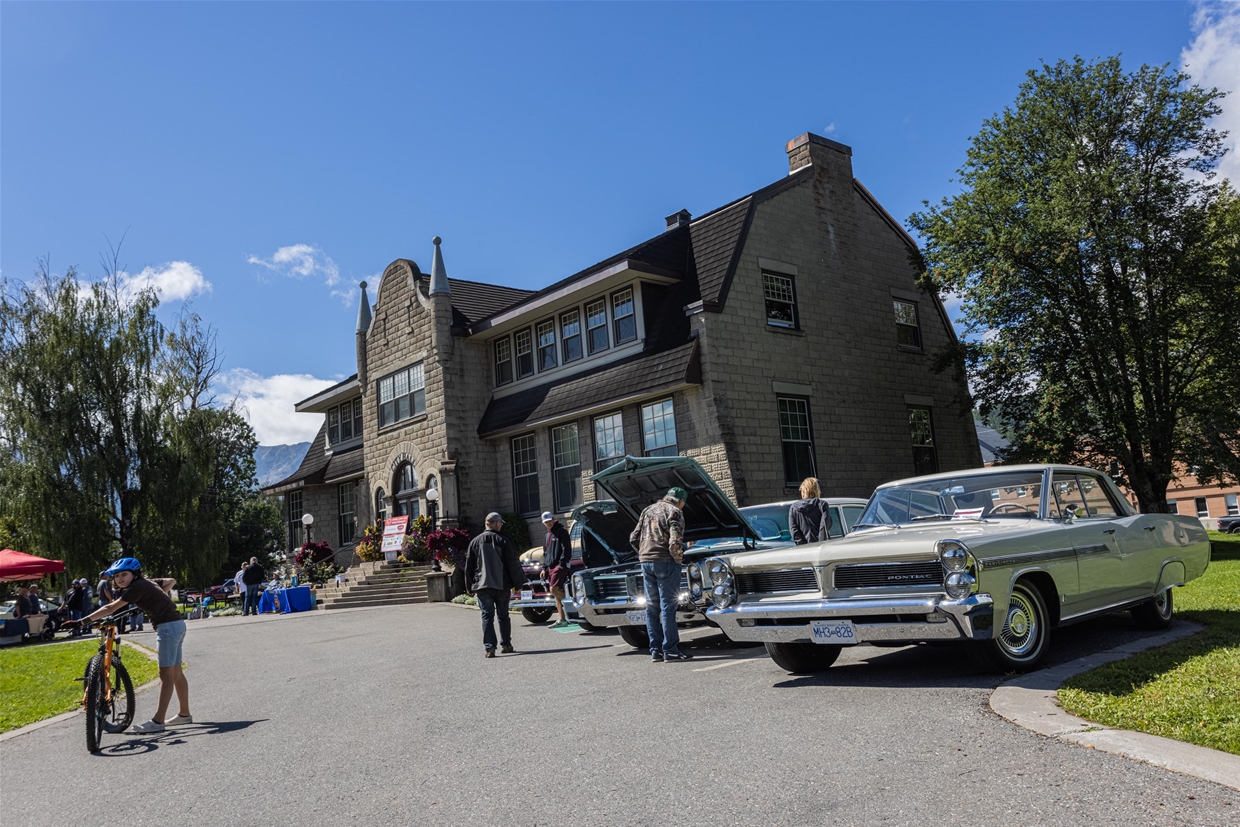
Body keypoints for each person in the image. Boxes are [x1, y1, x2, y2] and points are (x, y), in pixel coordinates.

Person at [67, 557, 191, 734]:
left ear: (135, 574)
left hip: (167, 628)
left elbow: (111, 608)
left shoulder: (137, 587)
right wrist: (154, 599)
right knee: (176, 672)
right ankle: (184, 714)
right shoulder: (147, 583)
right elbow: (171, 581)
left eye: (124, 574)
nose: (119, 579)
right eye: (117, 576)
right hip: (176, 624)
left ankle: (158, 721)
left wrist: (81, 622)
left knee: (166, 675)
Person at [630, 487, 692, 662]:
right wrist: (678, 559)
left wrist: (643, 554)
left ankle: (655, 650)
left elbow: (633, 537)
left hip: (646, 562)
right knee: (668, 607)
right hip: (665, 561)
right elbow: (674, 542)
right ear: (680, 501)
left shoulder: (647, 510)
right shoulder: (675, 512)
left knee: (651, 607)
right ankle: (670, 649)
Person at [464, 512, 526, 658]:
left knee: (487, 616)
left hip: (482, 586)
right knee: (503, 615)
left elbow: (469, 566)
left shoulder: (474, 542)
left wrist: (469, 586)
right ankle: (506, 644)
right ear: (496, 523)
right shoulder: (503, 540)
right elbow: (513, 563)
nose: (501, 526)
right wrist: (518, 583)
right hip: (502, 585)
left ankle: (489, 648)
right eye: (500, 523)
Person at [540, 511, 573, 628]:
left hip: (560, 566)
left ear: (553, 519)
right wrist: (544, 568)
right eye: (545, 522)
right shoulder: (547, 535)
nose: (548, 523)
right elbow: (545, 553)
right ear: (543, 523)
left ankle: (574, 606)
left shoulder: (562, 532)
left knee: (553, 590)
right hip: (550, 567)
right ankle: (562, 619)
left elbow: (567, 549)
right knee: (556, 592)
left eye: (549, 521)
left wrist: (561, 564)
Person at [788, 477, 832, 545]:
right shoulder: (822, 505)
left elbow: (794, 530)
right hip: (821, 546)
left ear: (803, 491)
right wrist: (820, 544)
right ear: (816, 490)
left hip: (803, 549)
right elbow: (824, 527)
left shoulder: (793, 508)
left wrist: (801, 545)